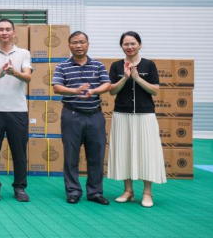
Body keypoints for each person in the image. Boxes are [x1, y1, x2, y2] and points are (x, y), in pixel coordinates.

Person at [107, 31, 166, 207]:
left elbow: (155, 90)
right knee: (124, 152)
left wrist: (137, 78)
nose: (129, 47)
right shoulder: (116, 66)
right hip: (122, 115)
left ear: (139, 45)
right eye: (126, 44)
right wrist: (125, 78)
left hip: (145, 115)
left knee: (148, 153)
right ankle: (128, 191)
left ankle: (147, 193)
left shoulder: (149, 65)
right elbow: (112, 91)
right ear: (121, 46)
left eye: (133, 43)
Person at [52, 31, 111, 205]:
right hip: (72, 115)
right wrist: (75, 91)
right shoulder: (62, 66)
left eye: (82, 42)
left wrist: (93, 91)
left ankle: (95, 192)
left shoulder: (98, 65)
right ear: (69, 45)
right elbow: (57, 87)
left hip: (95, 116)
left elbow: (107, 84)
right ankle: (73, 191)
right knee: (71, 155)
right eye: (75, 42)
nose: (79, 45)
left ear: (88, 44)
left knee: (97, 155)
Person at [0, 19, 33, 202]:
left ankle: (20, 187)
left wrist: (13, 72)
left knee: (19, 152)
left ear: (14, 32)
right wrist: (0, 74)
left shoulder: (24, 53)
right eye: (1, 29)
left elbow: (27, 77)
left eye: (8, 29)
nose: (4, 32)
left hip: (18, 110)